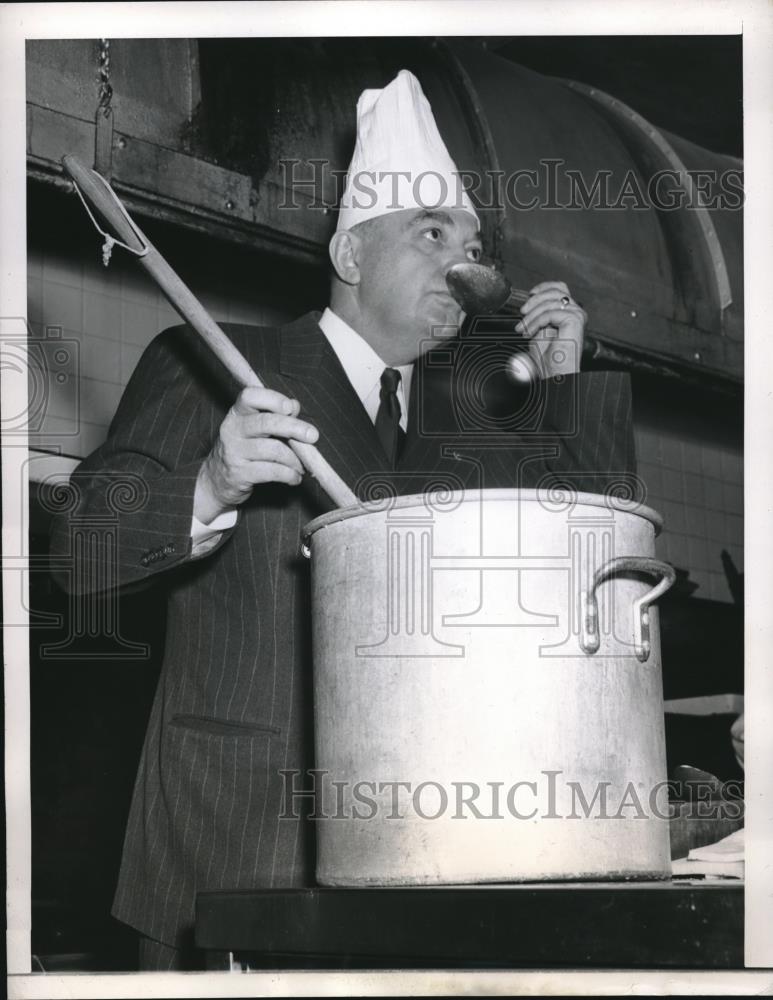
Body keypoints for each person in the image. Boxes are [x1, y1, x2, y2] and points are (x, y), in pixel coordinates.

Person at [50, 70, 635, 970]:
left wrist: (562, 392)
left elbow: (593, 576)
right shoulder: (223, 361)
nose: (464, 261)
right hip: (239, 855)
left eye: (473, 242)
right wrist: (209, 483)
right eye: (430, 232)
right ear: (351, 255)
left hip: (420, 864)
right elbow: (77, 550)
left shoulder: (462, 429)